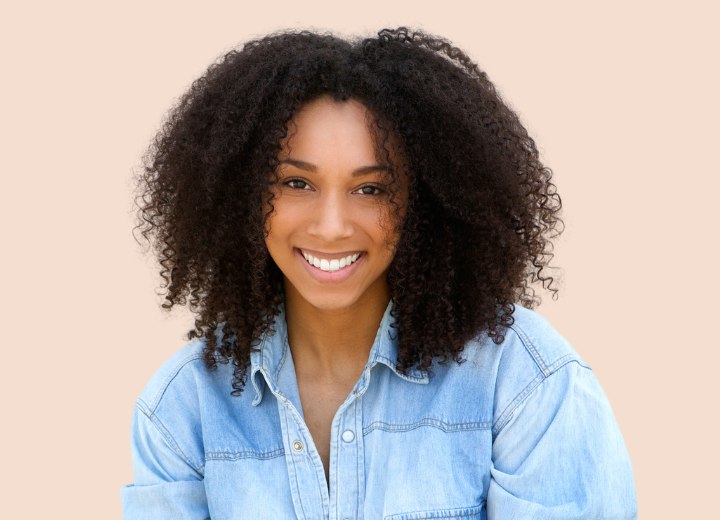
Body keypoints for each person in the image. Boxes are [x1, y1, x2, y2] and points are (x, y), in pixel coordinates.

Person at [121, 27, 637, 519]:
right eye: (297, 183)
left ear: (428, 200)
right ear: (241, 192)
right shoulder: (184, 407)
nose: (331, 226)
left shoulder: (523, 381)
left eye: (371, 189)